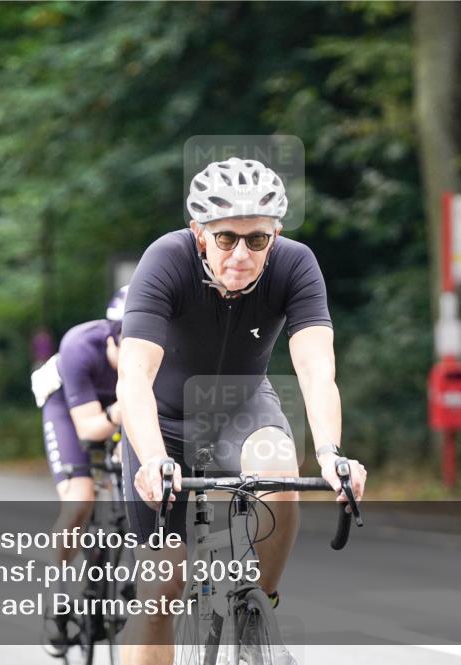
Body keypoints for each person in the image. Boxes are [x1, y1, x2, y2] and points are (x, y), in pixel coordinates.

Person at [117, 157, 367, 665]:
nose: (241, 254)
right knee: (161, 593)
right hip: (163, 423)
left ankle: (259, 611)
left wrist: (330, 454)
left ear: (274, 236)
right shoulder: (165, 260)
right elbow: (134, 376)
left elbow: (317, 370)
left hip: (243, 410)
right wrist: (151, 459)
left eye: (257, 240)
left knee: (279, 471)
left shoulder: (295, 264)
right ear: (199, 233)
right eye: (226, 238)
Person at [31, 286, 128, 654]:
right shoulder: (80, 346)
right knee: (81, 500)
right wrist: (123, 409)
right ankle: (56, 596)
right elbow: (89, 429)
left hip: (118, 406)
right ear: (111, 339)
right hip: (69, 408)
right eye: (127, 347)